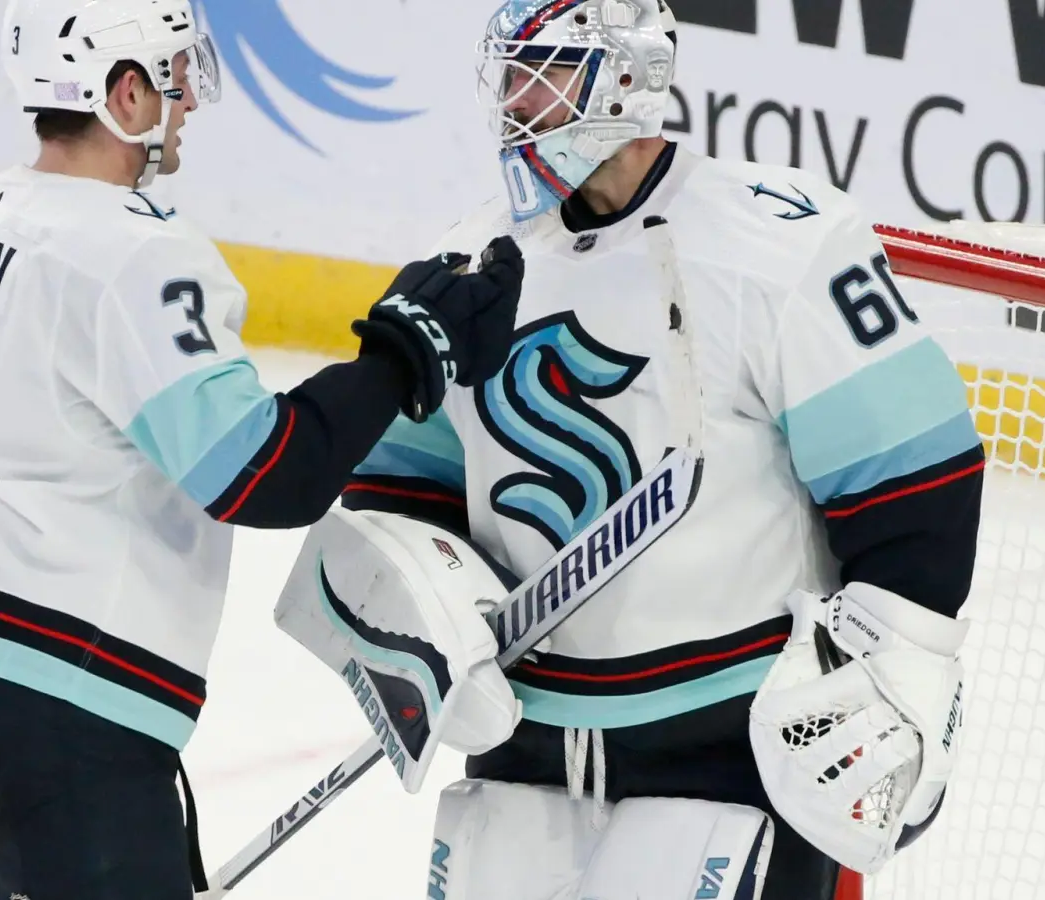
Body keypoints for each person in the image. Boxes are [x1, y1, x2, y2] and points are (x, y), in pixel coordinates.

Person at [273, 1, 986, 898]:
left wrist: (894, 675)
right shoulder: (469, 261)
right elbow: (402, 492)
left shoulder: (781, 248)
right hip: (522, 751)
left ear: (629, 79)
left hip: (730, 754)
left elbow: (918, 478)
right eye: (510, 74)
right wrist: (425, 633)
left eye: (547, 71)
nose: (516, 101)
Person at [0, 1, 525, 897]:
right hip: (64, 718)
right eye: (172, 76)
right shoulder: (135, 260)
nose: (188, 100)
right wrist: (400, 356)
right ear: (123, 94)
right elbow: (261, 474)